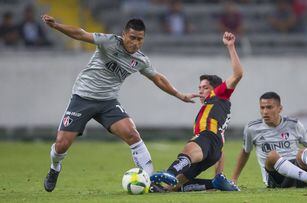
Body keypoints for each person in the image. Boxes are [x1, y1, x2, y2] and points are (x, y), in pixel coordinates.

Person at [41, 14, 198, 192]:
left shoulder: (140, 60)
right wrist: (56, 26)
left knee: (132, 134)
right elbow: (81, 34)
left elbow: (158, 79)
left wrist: (180, 95)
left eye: (140, 39)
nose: (136, 43)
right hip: (83, 98)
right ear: (123, 34)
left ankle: (149, 181)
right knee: (61, 144)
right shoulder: (109, 42)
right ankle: (55, 168)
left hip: (108, 102)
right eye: (132, 38)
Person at [149, 32, 243, 192]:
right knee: (176, 186)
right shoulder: (215, 106)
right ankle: (214, 184)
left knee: (187, 150)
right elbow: (220, 144)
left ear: (215, 88)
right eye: (199, 87)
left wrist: (231, 46)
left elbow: (238, 74)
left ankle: (168, 172)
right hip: (215, 148)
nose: (201, 91)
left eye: (205, 87)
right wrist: (219, 167)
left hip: (207, 138)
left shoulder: (219, 94)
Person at [231, 92, 307, 188]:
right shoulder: (252, 128)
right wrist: (234, 178)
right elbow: (245, 152)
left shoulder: (294, 124)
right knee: (272, 155)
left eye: (269, 107)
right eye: (262, 107)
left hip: (300, 173)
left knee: (303, 152)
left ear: (280, 108)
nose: (265, 112)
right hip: (275, 177)